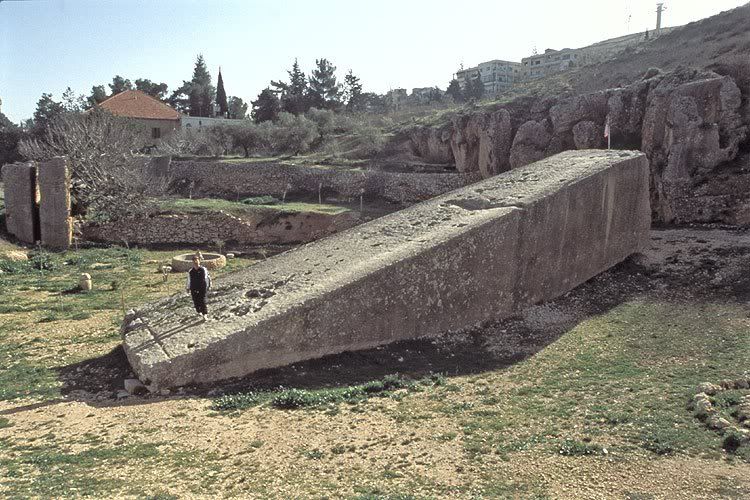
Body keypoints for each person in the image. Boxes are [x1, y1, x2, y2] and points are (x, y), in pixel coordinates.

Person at [186, 255, 211, 320]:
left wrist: (208, 286)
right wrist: (188, 287)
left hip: (202, 288)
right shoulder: (191, 271)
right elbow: (189, 280)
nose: (195, 262)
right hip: (193, 288)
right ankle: (199, 311)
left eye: (197, 260)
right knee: (196, 301)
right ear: (193, 262)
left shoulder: (203, 269)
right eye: (194, 261)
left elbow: (207, 278)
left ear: (199, 261)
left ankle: (205, 314)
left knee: (203, 301)